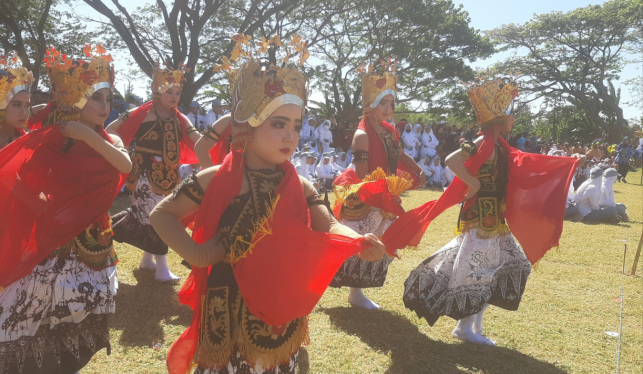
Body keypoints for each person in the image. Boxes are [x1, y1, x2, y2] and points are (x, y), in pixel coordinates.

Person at [149, 36, 386, 374]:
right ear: (250, 124)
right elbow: (162, 214)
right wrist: (199, 254)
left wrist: (355, 240)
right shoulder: (218, 176)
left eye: (296, 126)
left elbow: (329, 224)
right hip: (228, 304)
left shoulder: (300, 183)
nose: (290, 136)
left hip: (280, 302)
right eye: (278, 124)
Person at [0, 45, 129, 373]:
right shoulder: (53, 136)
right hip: (49, 239)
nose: (105, 106)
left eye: (109, 99)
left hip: (91, 241)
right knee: (29, 307)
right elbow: (27, 169)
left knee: (82, 308)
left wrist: (89, 137)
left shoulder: (105, 139)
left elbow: (126, 165)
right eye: (96, 98)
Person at [403, 77, 582, 345]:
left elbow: (524, 164)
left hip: (494, 217)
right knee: (481, 269)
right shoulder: (483, 141)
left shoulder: (499, 145)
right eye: (510, 114)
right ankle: (464, 328)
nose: (513, 119)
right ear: (499, 117)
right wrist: (472, 183)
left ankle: (474, 322)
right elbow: (452, 160)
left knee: (512, 265)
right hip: (480, 218)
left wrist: (565, 163)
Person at [330, 60, 425, 310]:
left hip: (385, 195)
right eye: (383, 102)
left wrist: (417, 169)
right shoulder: (361, 136)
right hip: (366, 195)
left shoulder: (390, 131)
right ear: (370, 103)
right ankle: (355, 292)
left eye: (391, 103)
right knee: (364, 243)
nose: (388, 108)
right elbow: (363, 177)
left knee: (388, 241)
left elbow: (400, 154)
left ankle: (357, 290)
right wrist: (380, 193)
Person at [107, 62, 202, 282]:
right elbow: (112, 129)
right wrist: (123, 151)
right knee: (158, 217)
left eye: (178, 92)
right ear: (156, 89)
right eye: (170, 91)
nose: (175, 96)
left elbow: (198, 140)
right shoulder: (142, 113)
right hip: (145, 176)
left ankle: (147, 261)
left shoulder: (179, 117)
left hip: (170, 175)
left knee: (155, 217)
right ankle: (161, 269)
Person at [0, 53, 34, 166]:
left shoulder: (25, 138)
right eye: (17, 105)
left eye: (27, 106)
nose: (24, 112)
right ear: (1, 106)